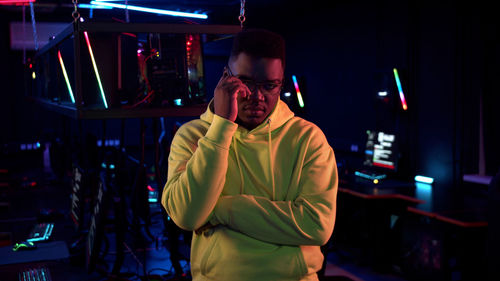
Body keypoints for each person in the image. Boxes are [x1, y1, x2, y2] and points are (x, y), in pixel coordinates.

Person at [162, 28, 338, 281]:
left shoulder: (308, 139)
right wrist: (221, 126)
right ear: (226, 77)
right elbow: (187, 216)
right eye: (246, 83)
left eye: (269, 86)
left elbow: (317, 225)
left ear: (281, 83)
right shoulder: (192, 136)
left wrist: (219, 209)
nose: (257, 97)